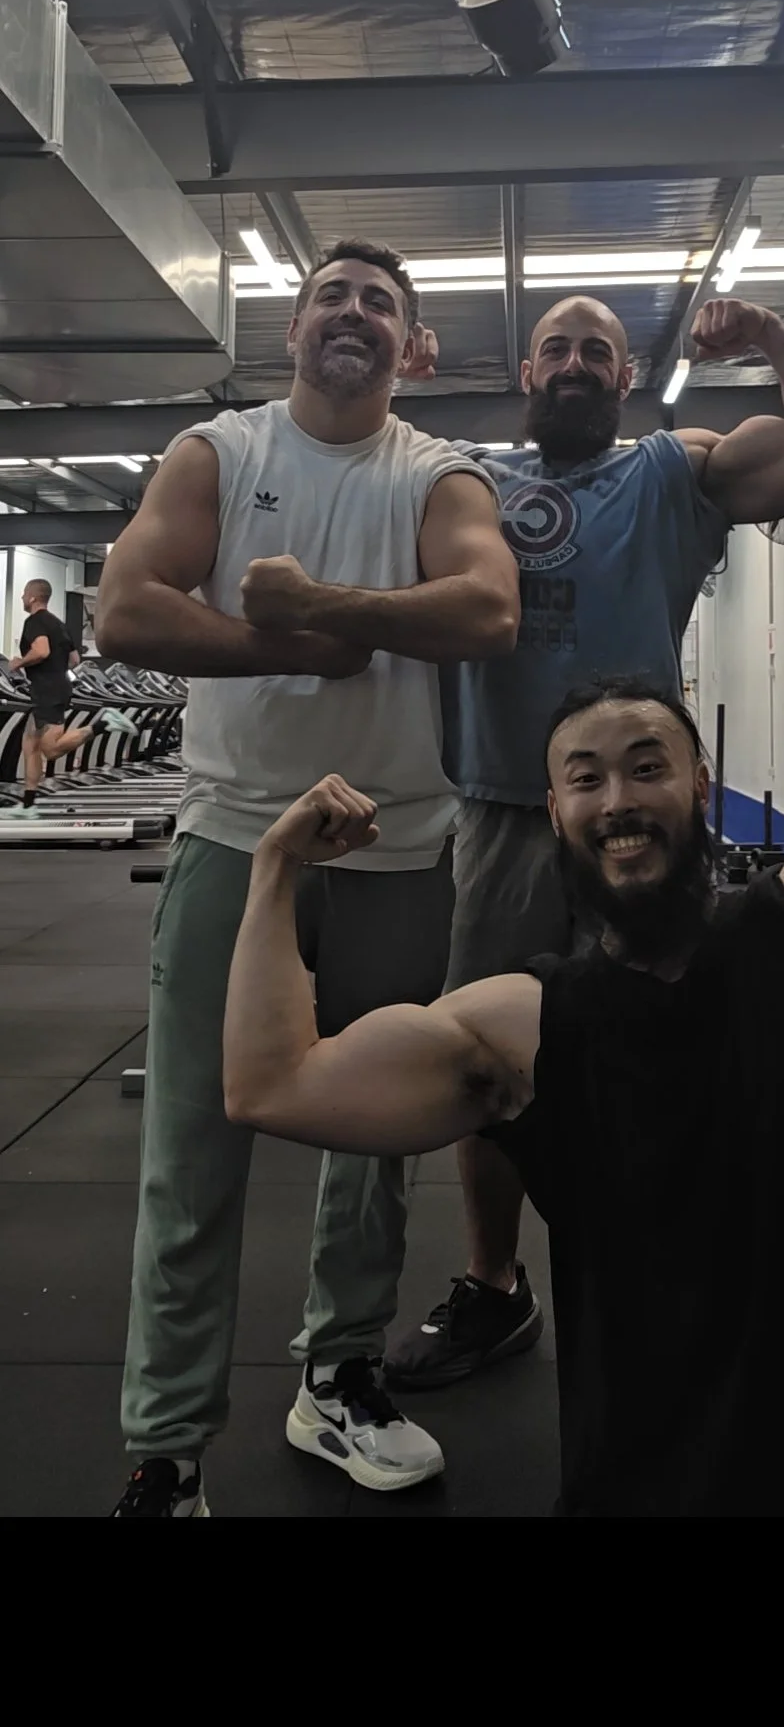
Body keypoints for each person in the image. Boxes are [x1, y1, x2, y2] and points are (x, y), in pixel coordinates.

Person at [223, 595, 784, 1517]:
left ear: (700, 787)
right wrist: (274, 868)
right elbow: (273, 1087)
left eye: (647, 769)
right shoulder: (524, 1030)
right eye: (585, 780)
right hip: (661, 1476)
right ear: (554, 812)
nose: (619, 800)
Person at [98, 238, 519, 1519]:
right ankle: (167, 1454)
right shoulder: (219, 454)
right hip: (237, 843)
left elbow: (489, 609)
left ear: (415, 348)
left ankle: (338, 1380)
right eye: (332, 295)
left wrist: (332, 606)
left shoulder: (438, 473)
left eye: (380, 304)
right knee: (193, 1150)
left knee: (376, 1144)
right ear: (293, 329)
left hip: (399, 852)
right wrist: (279, 638)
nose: (354, 314)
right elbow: (125, 612)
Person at [389, 288, 784, 1387]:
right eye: (555, 347)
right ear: (526, 374)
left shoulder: (671, 471)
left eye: (596, 351)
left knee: (681, 1041)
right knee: (485, 1062)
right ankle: (493, 1286)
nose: (573, 361)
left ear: (623, 379)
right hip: (506, 811)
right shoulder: (465, 480)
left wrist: (766, 338)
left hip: (638, 820)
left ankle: (691, 1271)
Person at [9, 579, 138, 815]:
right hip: (55, 687)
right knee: (30, 744)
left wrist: (19, 663)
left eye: (24, 593)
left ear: (32, 597)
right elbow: (75, 660)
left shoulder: (34, 622)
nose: (21, 597)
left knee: (51, 749)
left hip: (47, 691)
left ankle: (104, 724)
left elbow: (41, 651)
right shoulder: (59, 624)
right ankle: (27, 804)